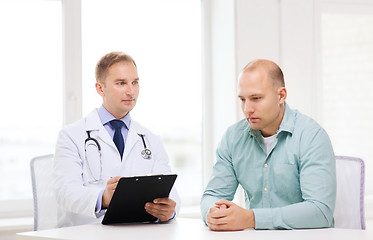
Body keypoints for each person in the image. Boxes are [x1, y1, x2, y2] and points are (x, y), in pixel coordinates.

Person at [200, 59, 336, 230]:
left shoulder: (312, 136)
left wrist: (252, 219)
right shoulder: (233, 138)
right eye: (242, 99)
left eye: (256, 98)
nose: (247, 109)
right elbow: (212, 195)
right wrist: (213, 214)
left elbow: (320, 212)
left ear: (281, 95)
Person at [54, 52, 179, 227]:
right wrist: (103, 198)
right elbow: (64, 192)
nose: (130, 91)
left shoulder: (150, 139)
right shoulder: (71, 136)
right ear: (100, 88)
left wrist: (168, 211)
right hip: (86, 234)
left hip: (137, 233)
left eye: (134, 82)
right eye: (121, 83)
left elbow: (172, 193)